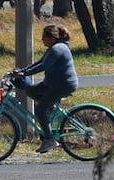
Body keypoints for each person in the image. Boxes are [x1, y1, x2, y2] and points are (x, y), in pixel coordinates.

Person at [12, 24, 79, 153]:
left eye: (44, 37)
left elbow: (43, 66)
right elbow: (39, 62)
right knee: (31, 90)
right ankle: (50, 107)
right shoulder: (53, 48)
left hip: (62, 85)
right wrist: (22, 71)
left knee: (39, 109)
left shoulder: (58, 49)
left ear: (52, 37)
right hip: (53, 83)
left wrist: (24, 73)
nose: (42, 39)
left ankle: (50, 140)